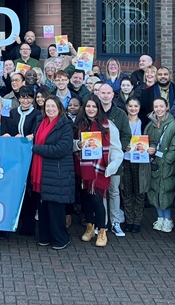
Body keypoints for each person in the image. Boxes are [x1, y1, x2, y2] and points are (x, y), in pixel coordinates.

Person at [75, 95, 123, 247]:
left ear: (99, 108)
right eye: (88, 106)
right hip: (82, 168)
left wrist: (113, 164)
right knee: (86, 200)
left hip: (99, 168)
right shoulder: (78, 124)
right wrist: (78, 144)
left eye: (94, 107)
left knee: (97, 199)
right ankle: (90, 227)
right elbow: (70, 143)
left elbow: (116, 147)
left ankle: (102, 230)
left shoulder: (108, 125)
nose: (91, 109)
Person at [29, 96, 75, 250]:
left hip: (57, 172)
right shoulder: (41, 122)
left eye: (53, 106)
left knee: (55, 209)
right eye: (47, 106)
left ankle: (59, 239)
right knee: (43, 207)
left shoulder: (65, 125)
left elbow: (61, 149)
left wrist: (36, 148)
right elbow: (36, 139)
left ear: (59, 107)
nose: (50, 109)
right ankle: (45, 237)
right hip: (42, 171)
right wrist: (31, 139)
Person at [97, 83, 130, 237]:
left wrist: (118, 151)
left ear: (112, 95)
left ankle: (115, 222)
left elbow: (126, 135)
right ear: (98, 94)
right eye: (102, 92)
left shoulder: (120, 114)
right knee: (101, 191)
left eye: (108, 93)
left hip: (115, 159)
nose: (105, 95)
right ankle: (102, 222)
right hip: (98, 159)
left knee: (114, 191)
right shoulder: (93, 111)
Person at [147, 98, 175, 233]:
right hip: (155, 162)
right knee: (155, 189)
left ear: (167, 107)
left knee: (166, 191)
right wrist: (152, 149)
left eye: (161, 106)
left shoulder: (172, 124)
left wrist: (167, 161)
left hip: (167, 163)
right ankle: (160, 217)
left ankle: (168, 219)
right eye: (156, 106)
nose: (158, 109)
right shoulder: (151, 124)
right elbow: (150, 140)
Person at [120, 98, 150, 233]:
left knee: (139, 191)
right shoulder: (122, 122)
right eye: (130, 106)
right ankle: (128, 219)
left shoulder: (145, 123)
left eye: (135, 106)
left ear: (139, 108)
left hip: (141, 161)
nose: (133, 108)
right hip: (125, 160)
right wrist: (122, 146)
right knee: (126, 191)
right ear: (126, 107)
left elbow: (152, 140)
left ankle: (137, 220)